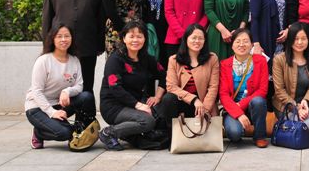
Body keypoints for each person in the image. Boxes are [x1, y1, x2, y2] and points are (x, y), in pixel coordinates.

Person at [42, 0, 104, 93]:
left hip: (87, 46)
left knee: (86, 86)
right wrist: (47, 44)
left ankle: (87, 109)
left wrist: (99, 45)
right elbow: (47, 18)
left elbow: (101, 18)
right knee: (60, 86)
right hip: (61, 46)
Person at [98, 21, 168, 151]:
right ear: (124, 38)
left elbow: (164, 75)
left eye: (139, 36)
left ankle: (130, 135)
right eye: (131, 36)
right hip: (114, 106)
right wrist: (138, 105)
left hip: (136, 102)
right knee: (147, 121)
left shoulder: (146, 58)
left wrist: (157, 97)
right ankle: (109, 132)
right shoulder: (115, 60)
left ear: (145, 39)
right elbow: (115, 88)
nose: (135, 40)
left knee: (160, 115)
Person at [25, 24, 96, 149]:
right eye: (59, 36)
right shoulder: (44, 61)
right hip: (37, 108)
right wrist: (52, 112)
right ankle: (39, 133)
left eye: (67, 36)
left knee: (86, 97)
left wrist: (67, 91)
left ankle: (81, 129)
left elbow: (79, 86)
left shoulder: (74, 60)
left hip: (59, 103)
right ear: (52, 39)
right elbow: (36, 92)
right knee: (65, 133)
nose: (64, 39)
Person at [271, 23, 309, 142]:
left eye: (303, 38)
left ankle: (304, 131)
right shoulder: (279, 59)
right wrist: (297, 107)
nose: (299, 42)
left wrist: (305, 101)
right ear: (290, 40)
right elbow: (279, 91)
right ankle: (308, 130)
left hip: (305, 104)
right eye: (296, 39)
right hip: (286, 107)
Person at [219, 29, 270, 148]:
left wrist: (241, 105)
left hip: (252, 106)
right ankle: (238, 126)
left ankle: (260, 136)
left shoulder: (260, 61)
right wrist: (238, 113)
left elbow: (262, 90)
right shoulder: (225, 64)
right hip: (232, 107)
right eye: (238, 41)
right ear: (232, 45)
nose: (241, 44)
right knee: (235, 134)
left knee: (259, 101)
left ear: (252, 45)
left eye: (246, 41)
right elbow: (223, 95)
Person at [160, 24, 220, 122]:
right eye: (194, 38)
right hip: (183, 103)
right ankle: (171, 130)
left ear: (205, 41)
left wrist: (205, 110)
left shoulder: (212, 59)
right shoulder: (174, 60)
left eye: (200, 38)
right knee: (168, 98)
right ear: (186, 39)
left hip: (203, 104)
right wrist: (194, 99)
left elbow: (213, 87)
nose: (197, 41)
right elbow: (171, 87)